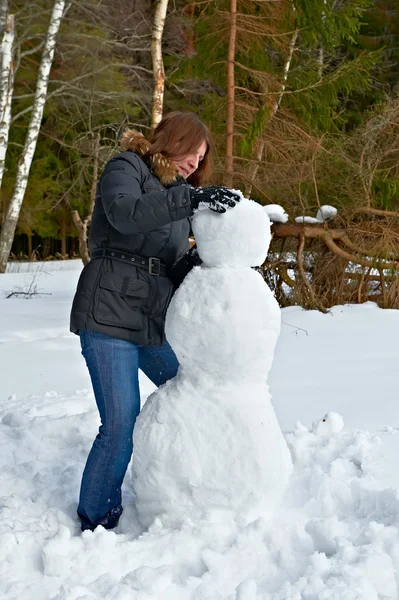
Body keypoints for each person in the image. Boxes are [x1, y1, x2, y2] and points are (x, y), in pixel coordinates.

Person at [70, 111, 241, 532]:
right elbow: (126, 214)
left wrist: (204, 259)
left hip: (149, 320)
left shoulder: (181, 197)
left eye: (202, 160)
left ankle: (190, 484)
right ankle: (96, 518)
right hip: (107, 311)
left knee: (192, 388)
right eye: (192, 153)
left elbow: (167, 267)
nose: (195, 165)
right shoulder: (127, 167)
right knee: (121, 421)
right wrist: (190, 200)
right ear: (173, 140)